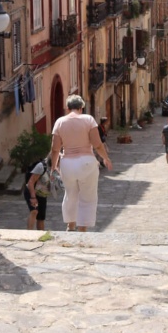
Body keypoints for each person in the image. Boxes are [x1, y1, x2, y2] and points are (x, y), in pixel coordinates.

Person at [50, 95, 112, 231]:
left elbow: (55, 149)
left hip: (67, 163)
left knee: (70, 194)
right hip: (86, 163)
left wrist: (53, 167)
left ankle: (70, 225)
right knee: (88, 196)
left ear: (67, 108)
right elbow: (97, 144)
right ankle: (82, 228)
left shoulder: (60, 122)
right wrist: (105, 158)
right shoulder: (88, 120)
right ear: (81, 108)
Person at [24, 158, 49, 230]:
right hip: (32, 191)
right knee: (34, 211)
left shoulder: (56, 168)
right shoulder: (42, 166)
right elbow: (30, 182)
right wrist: (33, 197)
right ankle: (29, 233)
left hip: (42, 194)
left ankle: (41, 234)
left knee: (41, 217)